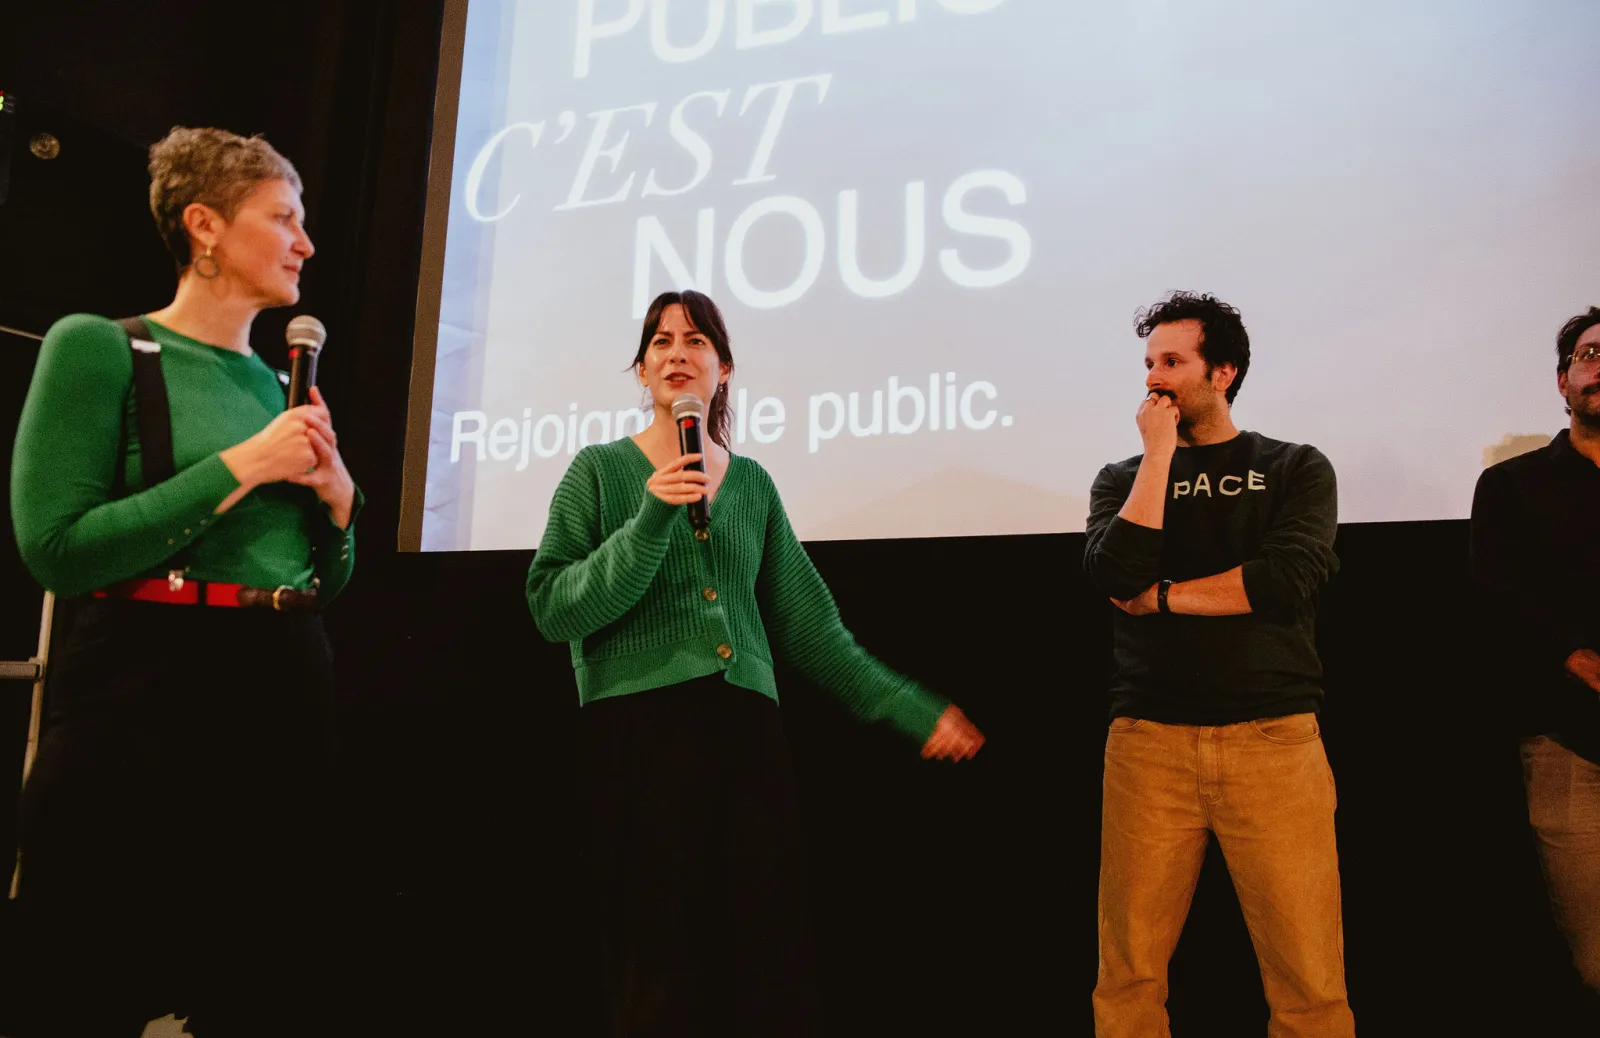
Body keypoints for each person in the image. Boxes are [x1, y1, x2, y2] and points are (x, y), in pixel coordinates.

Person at [526, 289, 985, 1037]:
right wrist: (652, 517)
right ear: (641, 370)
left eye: (697, 340)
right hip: (639, 734)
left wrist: (908, 706)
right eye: (661, 341)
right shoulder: (601, 472)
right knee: (659, 960)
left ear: (724, 368)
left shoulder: (753, 485)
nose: (678, 352)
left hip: (744, 735)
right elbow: (553, 608)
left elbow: (813, 631)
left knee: (762, 954)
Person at [7, 126, 359, 1037]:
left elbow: (323, 578)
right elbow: (59, 549)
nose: (305, 243)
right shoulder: (101, 348)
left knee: (264, 978)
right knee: (85, 972)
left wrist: (339, 505)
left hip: (284, 678)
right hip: (146, 685)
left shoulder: (282, 386)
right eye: (283, 217)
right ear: (205, 226)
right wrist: (245, 462)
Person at [1083, 291, 1353, 1037]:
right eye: (1148, 364)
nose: (1154, 380)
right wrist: (1160, 455)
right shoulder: (1123, 478)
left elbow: (1286, 579)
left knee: (1308, 978)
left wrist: (1163, 599)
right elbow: (1113, 574)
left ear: (1224, 371)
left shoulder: (1294, 467)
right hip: (1148, 744)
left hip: (1273, 742)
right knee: (1128, 974)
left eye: (1173, 362)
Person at [1470, 306, 1600, 1004]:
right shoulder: (1512, 487)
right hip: (1569, 744)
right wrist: (1581, 661)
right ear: (1563, 381)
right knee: (1594, 957)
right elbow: (1500, 602)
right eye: (1589, 354)